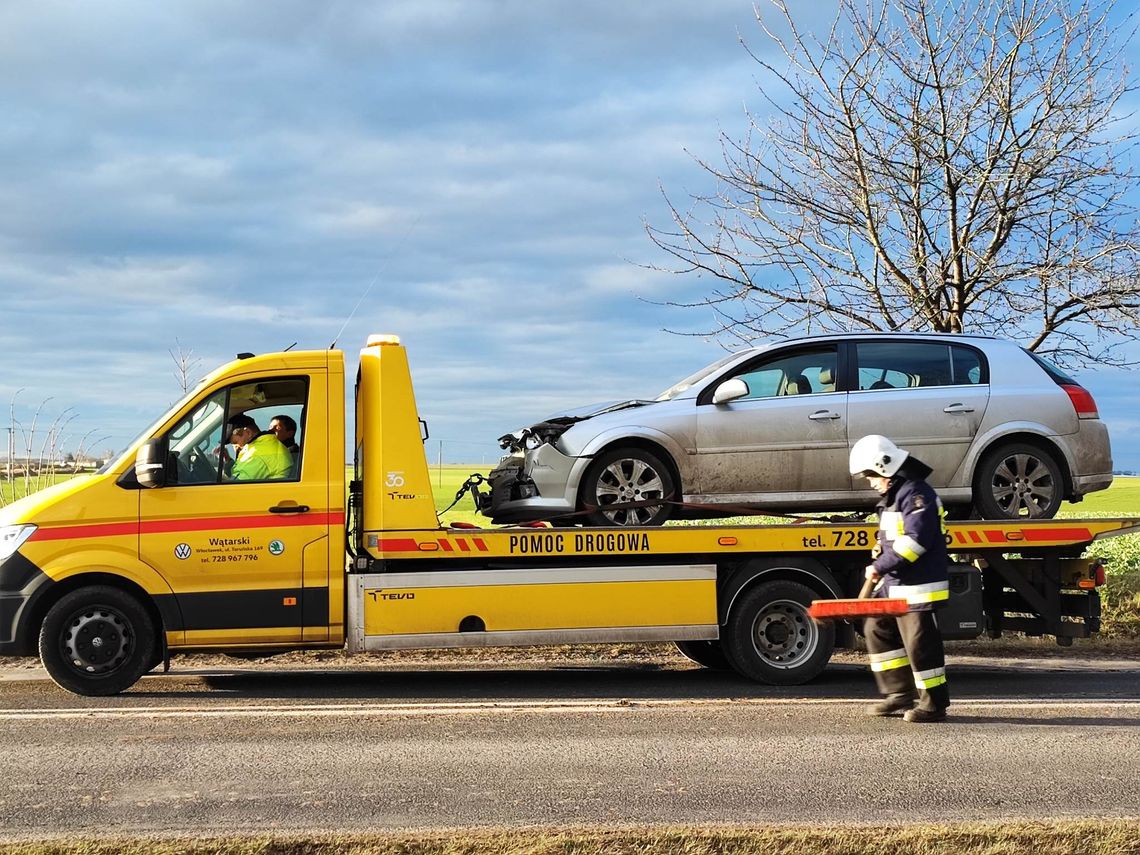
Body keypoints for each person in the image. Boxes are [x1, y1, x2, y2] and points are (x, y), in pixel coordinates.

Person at [849, 434, 950, 723]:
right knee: (876, 629)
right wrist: (880, 551)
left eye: (871, 476)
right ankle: (898, 694)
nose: (870, 482)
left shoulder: (918, 495)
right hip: (895, 586)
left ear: (885, 468)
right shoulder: (895, 498)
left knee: (920, 645)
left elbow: (916, 542)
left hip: (919, 588)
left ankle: (933, 705)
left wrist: (880, 565)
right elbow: (895, 539)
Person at [226, 414, 293, 481]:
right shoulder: (268, 443)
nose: (235, 446)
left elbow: (234, 485)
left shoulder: (257, 455)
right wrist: (228, 460)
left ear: (248, 432)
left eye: (235, 442)